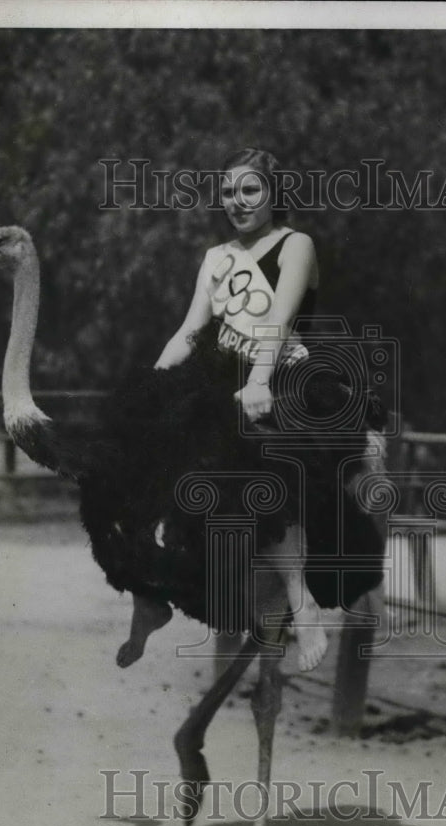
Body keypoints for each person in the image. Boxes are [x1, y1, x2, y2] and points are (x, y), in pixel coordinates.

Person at [154, 147, 329, 672]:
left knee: (260, 461)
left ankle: (303, 600)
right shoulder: (216, 258)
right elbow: (190, 330)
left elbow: (277, 318)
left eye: (249, 190)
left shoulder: (296, 245)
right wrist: (150, 384)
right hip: (229, 379)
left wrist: (258, 380)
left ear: (274, 193)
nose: (237, 201)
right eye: (229, 192)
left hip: (287, 375)